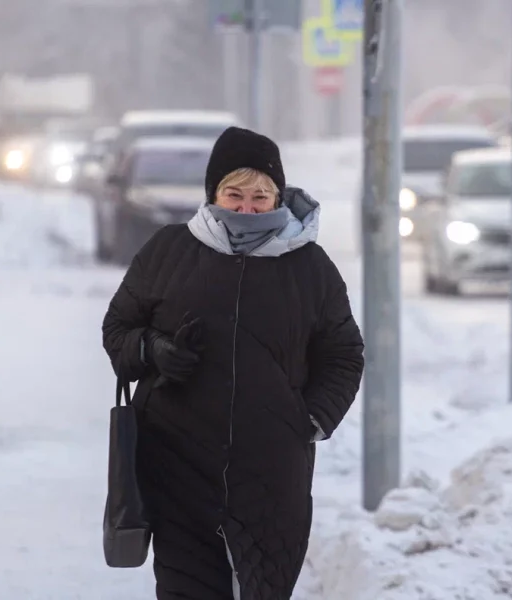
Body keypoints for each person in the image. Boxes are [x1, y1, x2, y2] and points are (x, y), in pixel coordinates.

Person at [101, 126, 365, 599]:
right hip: (176, 470)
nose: (246, 208)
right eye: (234, 193)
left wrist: (309, 420)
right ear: (213, 193)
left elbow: (343, 354)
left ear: (278, 197)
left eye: (260, 196)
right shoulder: (169, 250)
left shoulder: (310, 268)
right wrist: (154, 350)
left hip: (271, 477)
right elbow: (117, 329)